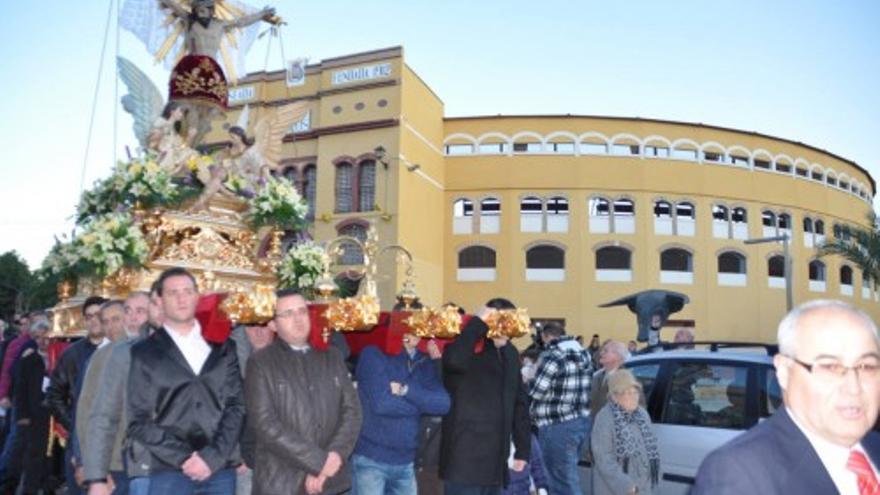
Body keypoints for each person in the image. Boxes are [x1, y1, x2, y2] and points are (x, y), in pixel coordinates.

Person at [693, 300, 880, 494]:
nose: (854, 387)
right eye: (830, 367)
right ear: (784, 371)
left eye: (866, 366)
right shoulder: (739, 473)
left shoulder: (874, 447)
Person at [127, 268, 244, 494]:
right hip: (170, 471)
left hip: (219, 468)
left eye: (187, 291)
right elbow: (139, 420)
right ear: (160, 300)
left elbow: (236, 405)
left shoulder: (223, 346)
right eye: (173, 293)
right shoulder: (144, 352)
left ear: (197, 296)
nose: (181, 299)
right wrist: (184, 458)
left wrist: (212, 457)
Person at [245, 289, 362, 495]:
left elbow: (352, 412)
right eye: (288, 314)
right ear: (273, 324)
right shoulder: (260, 363)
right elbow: (266, 425)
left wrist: (333, 457)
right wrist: (318, 462)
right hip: (282, 482)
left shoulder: (332, 357)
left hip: (330, 482)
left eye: (302, 311)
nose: (298, 319)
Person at [440, 298, 531, 494]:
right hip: (462, 460)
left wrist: (523, 450)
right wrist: (477, 323)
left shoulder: (509, 353)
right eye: (503, 320)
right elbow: (453, 362)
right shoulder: (467, 343)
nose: (508, 327)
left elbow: (519, 403)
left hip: (495, 462)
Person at [351, 326, 450, 493]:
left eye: (418, 327)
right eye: (406, 326)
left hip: (405, 462)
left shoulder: (425, 362)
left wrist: (406, 390)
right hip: (371, 460)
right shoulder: (373, 354)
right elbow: (382, 403)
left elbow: (444, 404)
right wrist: (422, 403)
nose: (413, 333)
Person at [84, 288, 161, 495]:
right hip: (121, 461)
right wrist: (94, 470)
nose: (132, 318)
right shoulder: (109, 355)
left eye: (140, 311)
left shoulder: (173, 349)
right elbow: (94, 413)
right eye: (128, 311)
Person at [47, 296, 107, 495]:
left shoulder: (122, 350)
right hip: (80, 439)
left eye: (99, 315)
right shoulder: (72, 353)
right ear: (84, 320)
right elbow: (55, 393)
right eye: (89, 316)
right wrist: (72, 423)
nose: (94, 320)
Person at [528, 323, 592, 494]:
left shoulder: (553, 355)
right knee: (568, 476)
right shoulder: (584, 353)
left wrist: (528, 378)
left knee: (560, 481)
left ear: (546, 336)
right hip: (580, 422)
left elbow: (536, 391)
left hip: (556, 425)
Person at [591, 369, 660, 495]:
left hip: (642, 487)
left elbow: (649, 451)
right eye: (627, 393)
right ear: (614, 397)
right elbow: (604, 459)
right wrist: (627, 486)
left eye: (635, 392)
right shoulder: (605, 417)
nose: (634, 397)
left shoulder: (642, 415)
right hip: (616, 489)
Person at [11, 319, 53, 495]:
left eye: (46, 337)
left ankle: (49, 485)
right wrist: (22, 415)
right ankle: (29, 488)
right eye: (38, 338)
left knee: (51, 454)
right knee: (32, 453)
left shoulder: (58, 357)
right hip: (33, 413)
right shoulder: (29, 359)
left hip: (53, 413)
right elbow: (20, 388)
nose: (42, 341)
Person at [590, 341, 630, 419]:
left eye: (605, 351)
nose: (601, 353)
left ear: (618, 356)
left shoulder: (626, 380)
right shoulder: (597, 376)